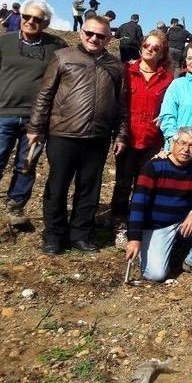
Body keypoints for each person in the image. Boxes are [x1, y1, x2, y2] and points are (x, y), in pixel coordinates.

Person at [28, 15, 126, 255]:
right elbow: (45, 94)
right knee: (57, 186)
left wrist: (121, 135)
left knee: (89, 188)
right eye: (89, 33)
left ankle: (81, 235)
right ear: (81, 33)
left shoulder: (115, 66)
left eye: (100, 35)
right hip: (63, 133)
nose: (94, 38)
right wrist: (35, 127)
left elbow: (121, 105)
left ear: (109, 38)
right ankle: (54, 235)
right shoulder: (63, 57)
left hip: (98, 137)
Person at [0, 0, 66, 228]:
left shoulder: (56, 46)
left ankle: (16, 206)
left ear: (45, 23)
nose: (30, 22)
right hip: (4, 112)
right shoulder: (3, 42)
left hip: (36, 119)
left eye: (37, 19)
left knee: (27, 164)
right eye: (27, 17)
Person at [124, 127, 192, 282]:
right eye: (182, 143)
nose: (186, 149)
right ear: (173, 143)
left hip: (182, 222)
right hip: (156, 226)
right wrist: (134, 238)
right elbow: (138, 204)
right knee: (155, 275)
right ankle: (156, 250)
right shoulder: (154, 167)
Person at [110, 30, 174, 240]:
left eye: (156, 49)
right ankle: (118, 222)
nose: (150, 50)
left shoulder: (168, 79)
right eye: (147, 46)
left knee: (144, 185)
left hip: (152, 139)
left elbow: (171, 107)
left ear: (162, 54)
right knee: (122, 183)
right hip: (128, 136)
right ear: (142, 46)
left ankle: (137, 223)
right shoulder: (126, 71)